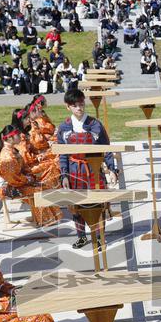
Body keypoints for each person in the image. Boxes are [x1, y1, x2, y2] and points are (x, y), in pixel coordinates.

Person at [56, 87, 117, 249]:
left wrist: (112, 169)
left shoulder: (95, 124)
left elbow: (106, 147)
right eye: (75, 105)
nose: (79, 108)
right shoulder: (64, 128)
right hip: (75, 170)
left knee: (98, 203)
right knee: (76, 205)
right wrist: (64, 175)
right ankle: (82, 236)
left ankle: (99, 236)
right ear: (67, 106)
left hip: (94, 169)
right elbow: (62, 154)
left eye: (81, 104)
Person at [0, 107, 62, 227]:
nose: (19, 136)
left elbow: (22, 168)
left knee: (43, 183)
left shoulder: (12, 150)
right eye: (16, 135)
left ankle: (50, 217)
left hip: (20, 180)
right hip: (11, 187)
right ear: (10, 138)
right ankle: (45, 219)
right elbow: (14, 179)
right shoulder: (8, 158)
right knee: (39, 188)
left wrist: (30, 175)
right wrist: (30, 179)